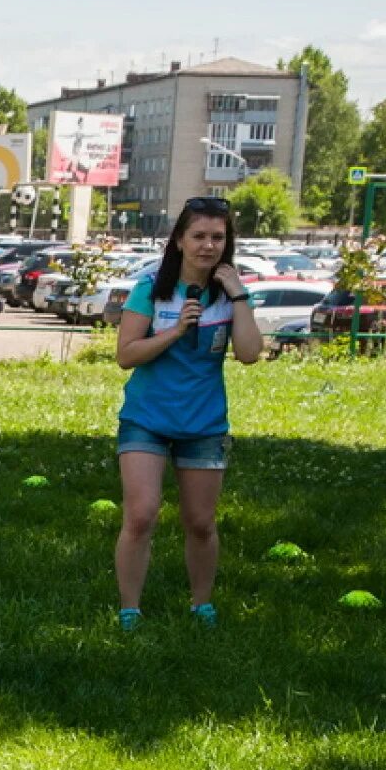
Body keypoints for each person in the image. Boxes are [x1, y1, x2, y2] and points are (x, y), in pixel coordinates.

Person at [112, 195, 261, 631]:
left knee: (200, 522)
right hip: (147, 419)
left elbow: (250, 354)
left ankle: (201, 605)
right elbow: (126, 355)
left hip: (203, 424)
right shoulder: (151, 289)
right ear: (179, 240)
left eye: (218, 237)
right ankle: (129, 610)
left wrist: (240, 296)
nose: (208, 246)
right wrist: (175, 331)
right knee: (141, 515)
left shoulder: (230, 294)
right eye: (198, 236)